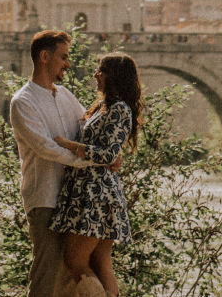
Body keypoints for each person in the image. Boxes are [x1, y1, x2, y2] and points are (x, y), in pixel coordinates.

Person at [9, 30, 94, 297]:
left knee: (71, 275)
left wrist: (106, 153)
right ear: (44, 57)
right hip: (45, 199)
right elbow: (46, 148)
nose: (68, 63)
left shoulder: (67, 96)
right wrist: (89, 162)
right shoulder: (22, 102)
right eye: (63, 57)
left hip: (74, 198)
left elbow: (89, 127)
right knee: (46, 276)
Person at [51, 52, 142, 297]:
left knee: (75, 262)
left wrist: (68, 144)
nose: (95, 74)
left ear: (113, 75)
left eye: (99, 70)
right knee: (101, 263)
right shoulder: (106, 107)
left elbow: (108, 155)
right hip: (95, 191)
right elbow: (111, 154)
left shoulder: (118, 108)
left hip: (94, 193)